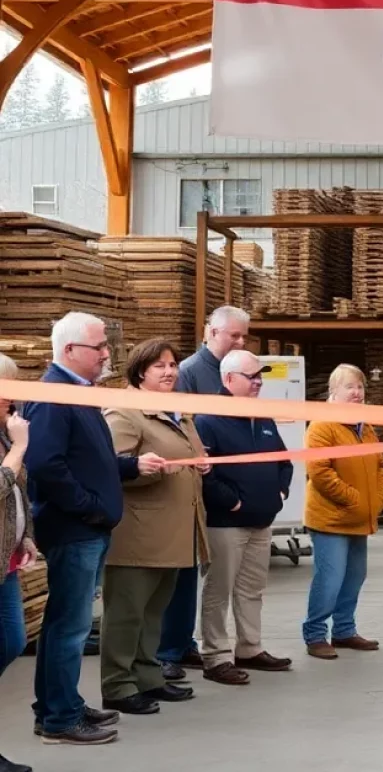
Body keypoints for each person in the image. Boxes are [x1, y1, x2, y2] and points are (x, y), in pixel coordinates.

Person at [24, 312, 164, 745]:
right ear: (69, 351)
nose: (107, 354)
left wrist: (128, 465)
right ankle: (60, 719)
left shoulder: (77, 394)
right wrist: (89, 508)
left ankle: (57, 703)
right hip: (75, 529)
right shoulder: (52, 396)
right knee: (70, 626)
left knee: (64, 623)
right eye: (99, 347)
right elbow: (45, 464)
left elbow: (87, 457)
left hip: (85, 526)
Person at [99, 339, 210, 715]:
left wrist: (200, 463)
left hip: (174, 529)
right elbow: (110, 468)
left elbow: (186, 455)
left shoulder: (178, 411)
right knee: (127, 612)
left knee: (153, 612)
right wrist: (145, 469)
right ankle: (117, 685)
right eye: (159, 366)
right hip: (139, 532)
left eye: (173, 364)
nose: (169, 371)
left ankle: (147, 677)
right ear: (140, 371)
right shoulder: (125, 412)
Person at [160, 305, 250, 679]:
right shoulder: (190, 375)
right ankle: (168, 650)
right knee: (179, 574)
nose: (240, 341)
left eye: (244, 336)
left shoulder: (227, 373)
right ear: (211, 332)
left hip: (215, 488)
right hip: (197, 488)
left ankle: (183, 644)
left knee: (191, 571)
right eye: (234, 336)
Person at [196, 350, 293, 685]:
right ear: (228, 380)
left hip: (262, 520)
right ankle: (216, 656)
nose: (258, 382)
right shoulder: (208, 420)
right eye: (251, 377)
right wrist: (232, 502)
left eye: (260, 376)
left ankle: (250, 647)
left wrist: (280, 492)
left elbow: (284, 459)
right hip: (227, 524)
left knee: (252, 589)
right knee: (219, 590)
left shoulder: (261, 417)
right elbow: (204, 473)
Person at [302, 364, 383, 659]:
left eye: (360, 387)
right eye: (350, 387)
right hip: (332, 518)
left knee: (354, 576)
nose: (357, 392)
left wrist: (377, 498)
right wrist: (352, 498)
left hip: (359, 517)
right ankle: (315, 635)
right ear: (333, 392)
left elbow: (379, 466)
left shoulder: (365, 427)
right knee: (330, 577)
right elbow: (319, 470)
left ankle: (344, 630)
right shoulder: (323, 425)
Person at [0, 353, 37, 772]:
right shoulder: (14, 437)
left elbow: (18, 491)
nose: (12, 400)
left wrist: (24, 536)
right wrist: (21, 447)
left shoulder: (5, 431)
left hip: (6, 559)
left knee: (12, 640)